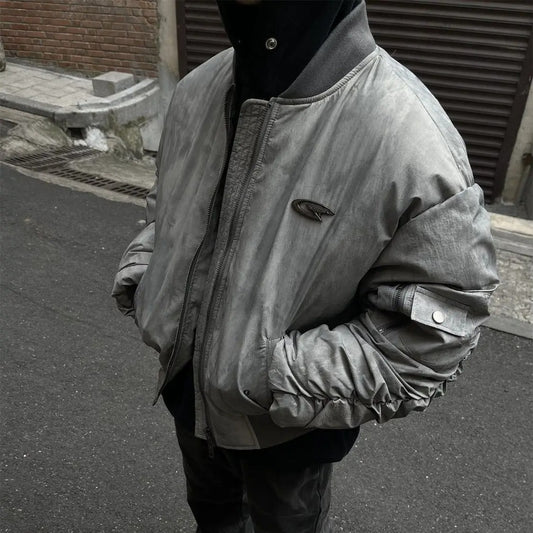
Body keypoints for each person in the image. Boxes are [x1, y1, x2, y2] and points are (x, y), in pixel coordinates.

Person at [112, 1, 499, 531]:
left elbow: (433, 333)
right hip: (186, 394)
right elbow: (169, 205)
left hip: (288, 435)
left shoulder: (409, 136)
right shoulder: (200, 88)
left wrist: (266, 373)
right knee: (212, 518)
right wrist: (147, 279)